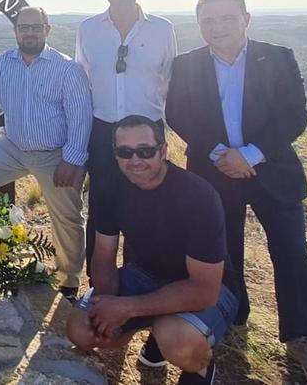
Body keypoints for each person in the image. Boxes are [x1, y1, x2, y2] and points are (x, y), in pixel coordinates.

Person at [165, 0, 307, 382]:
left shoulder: (277, 57)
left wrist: (251, 154)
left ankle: (301, 340)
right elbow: (178, 113)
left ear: (246, 19)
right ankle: (233, 320)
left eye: (227, 19)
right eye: (208, 21)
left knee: (292, 253)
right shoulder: (187, 64)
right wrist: (221, 154)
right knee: (225, 254)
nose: (217, 27)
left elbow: (295, 115)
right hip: (214, 172)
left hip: (273, 171)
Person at [66, 115, 238, 385]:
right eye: (124, 152)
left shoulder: (198, 196)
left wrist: (127, 308)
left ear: (164, 150)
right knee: (80, 329)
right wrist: (106, 305)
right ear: (115, 154)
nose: (135, 160)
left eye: (145, 151)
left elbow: (204, 289)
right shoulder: (109, 188)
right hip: (143, 276)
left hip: (209, 289)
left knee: (177, 340)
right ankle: (156, 330)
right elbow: (103, 258)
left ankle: (200, 367)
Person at [0, 6, 92, 300]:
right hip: (13, 147)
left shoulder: (67, 69)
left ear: (47, 30)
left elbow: (80, 117)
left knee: (67, 217)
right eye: (24, 27)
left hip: (55, 154)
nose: (29, 32)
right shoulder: (1, 64)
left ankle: (69, 279)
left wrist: (71, 160)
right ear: (15, 31)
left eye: (36, 27)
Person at [74, 0, 176, 279]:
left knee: (145, 207)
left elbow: (170, 80)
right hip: (102, 128)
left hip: (148, 131)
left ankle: (140, 279)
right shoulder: (88, 30)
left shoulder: (162, 29)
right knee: (101, 205)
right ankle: (98, 282)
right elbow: (81, 80)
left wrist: (164, 133)